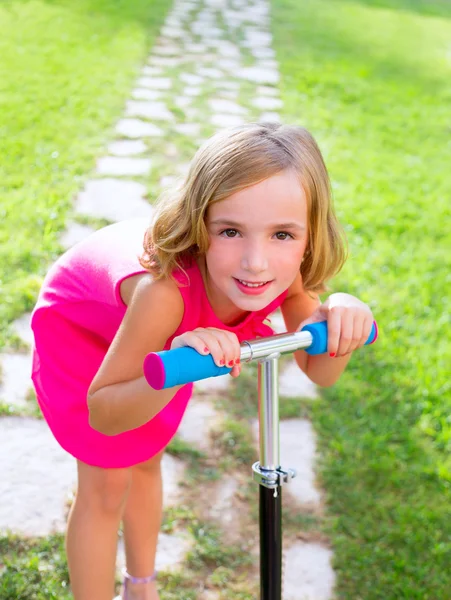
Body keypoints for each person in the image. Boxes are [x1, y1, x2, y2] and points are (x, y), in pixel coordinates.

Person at [31, 122, 375, 600]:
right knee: (108, 481)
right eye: (230, 231)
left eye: (282, 234)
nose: (256, 262)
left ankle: (141, 588)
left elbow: (321, 369)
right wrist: (172, 364)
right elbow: (105, 413)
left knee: (146, 457)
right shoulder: (164, 296)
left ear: (310, 236)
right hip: (86, 325)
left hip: (160, 348)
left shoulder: (282, 272)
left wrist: (342, 318)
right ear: (199, 225)